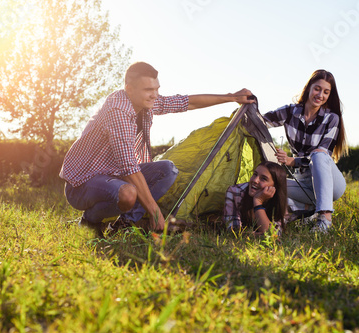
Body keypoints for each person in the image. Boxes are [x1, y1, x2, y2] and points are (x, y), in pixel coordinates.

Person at [60, 61, 254, 237]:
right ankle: (90, 221)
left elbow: (186, 102)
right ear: (129, 89)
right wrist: (154, 211)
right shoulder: (118, 110)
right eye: (148, 90)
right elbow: (128, 167)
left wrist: (231, 97)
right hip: (82, 184)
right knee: (128, 194)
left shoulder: (146, 102)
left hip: (112, 175)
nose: (154, 94)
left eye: (156, 89)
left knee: (168, 170)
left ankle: (126, 224)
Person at [262, 69, 348, 233]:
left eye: (326, 92)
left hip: (331, 186)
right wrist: (246, 106)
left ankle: (325, 217)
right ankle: (305, 210)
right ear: (308, 88)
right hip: (303, 184)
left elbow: (323, 154)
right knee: (268, 183)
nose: (320, 95)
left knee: (318, 154)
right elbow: (260, 122)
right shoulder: (290, 112)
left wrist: (292, 161)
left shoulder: (331, 119)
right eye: (317, 88)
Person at [223, 161, 288, 235]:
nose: (255, 180)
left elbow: (272, 235)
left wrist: (258, 202)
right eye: (255, 174)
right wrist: (258, 235)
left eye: (263, 179)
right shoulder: (234, 192)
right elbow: (233, 231)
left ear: (275, 187)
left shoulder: (279, 200)